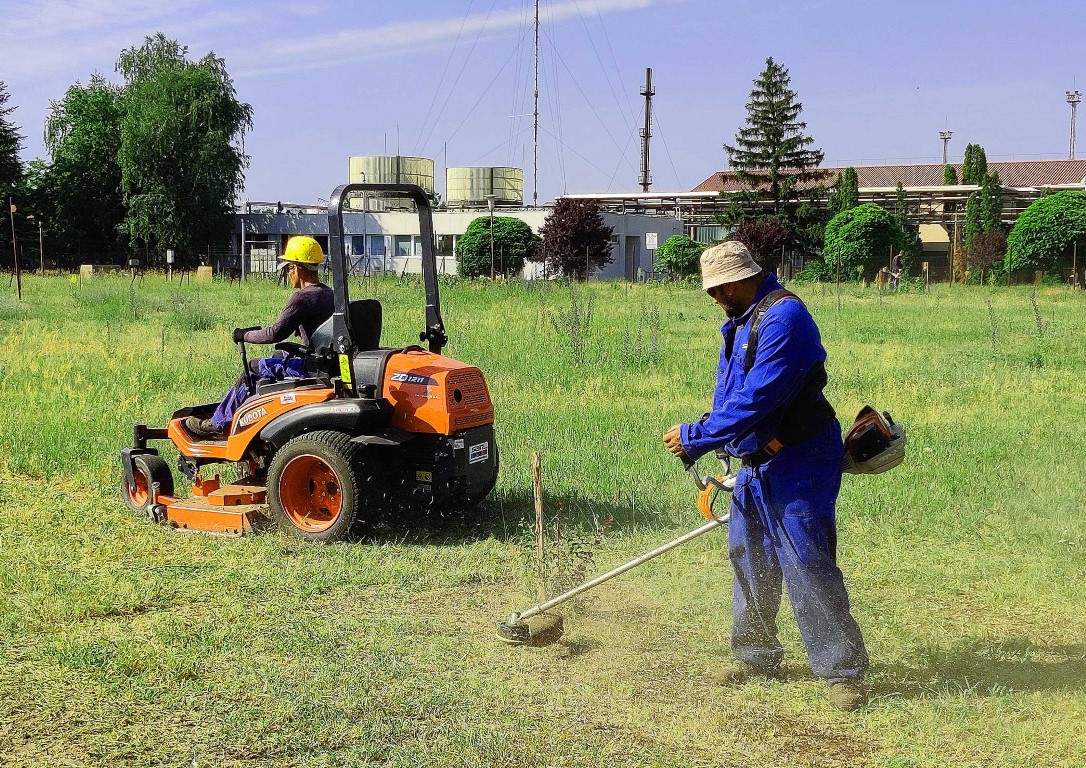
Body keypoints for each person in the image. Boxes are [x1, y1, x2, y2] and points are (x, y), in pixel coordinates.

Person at [662, 241, 870, 712]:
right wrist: (725, 440)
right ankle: (756, 656)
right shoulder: (739, 322)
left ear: (737, 280)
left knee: (806, 561)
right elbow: (731, 396)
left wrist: (698, 437)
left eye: (716, 290)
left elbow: (759, 398)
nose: (713, 299)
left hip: (800, 458)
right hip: (758, 462)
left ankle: (843, 671)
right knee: (749, 558)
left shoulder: (785, 318)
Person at [185, 236, 334, 439]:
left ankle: (219, 422)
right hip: (328, 362)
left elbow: (274, 333)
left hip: (310, 367)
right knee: (278, 354)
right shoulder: (330, 294)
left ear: (297, 268)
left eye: (288, 269)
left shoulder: (302, 298)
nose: (288, 274)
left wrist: (243, 335)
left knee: (254, 368)